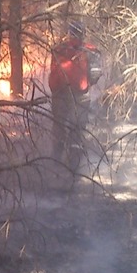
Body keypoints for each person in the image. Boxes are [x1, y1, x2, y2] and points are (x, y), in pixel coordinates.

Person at [48, 20, 101, 170]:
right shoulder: (90, 50)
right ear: (83, 33)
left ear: (70, 33)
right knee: (77, 128)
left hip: (59, 92)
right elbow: (95, 74)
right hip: (80, 94)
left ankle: (55, 162)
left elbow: (53, 70)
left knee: (58, 127)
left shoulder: (59, 49)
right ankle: (73, 167)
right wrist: (88, 83)